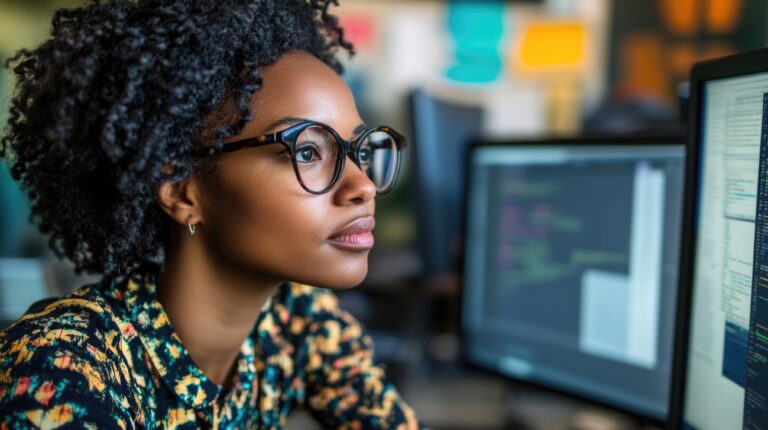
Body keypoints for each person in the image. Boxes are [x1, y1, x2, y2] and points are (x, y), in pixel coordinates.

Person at [0, 0, 425, 428]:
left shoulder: (296, 322)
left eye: (359, 150)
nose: (363, 186)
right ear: (182, 190)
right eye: (309, 150)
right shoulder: (63, 364)